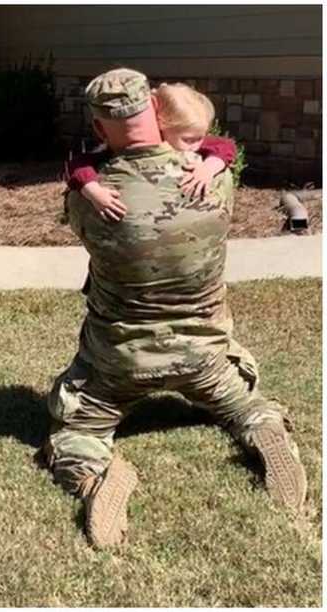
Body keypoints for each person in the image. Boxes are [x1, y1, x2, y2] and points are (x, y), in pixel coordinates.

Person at [44, 67, 306, 550]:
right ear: (156, 114)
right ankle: (264, 428)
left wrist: (91, 181)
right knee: (243, 402)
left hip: (118, 362)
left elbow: (77, 189)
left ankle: (93, 478)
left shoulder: (91, 197)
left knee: (77, 430)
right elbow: (221, 153)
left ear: (100, 128)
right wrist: (207, 160)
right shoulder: (214, 178)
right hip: (204, 356)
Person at [66, 82, 237, 222]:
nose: (196, 145)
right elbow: (79, 164)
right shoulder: (120, 150)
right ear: (161, 128)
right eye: (188, 140)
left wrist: (208, 168)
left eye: (200, 137)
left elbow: (226, 145)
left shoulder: (192, 140)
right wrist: (93, 191)